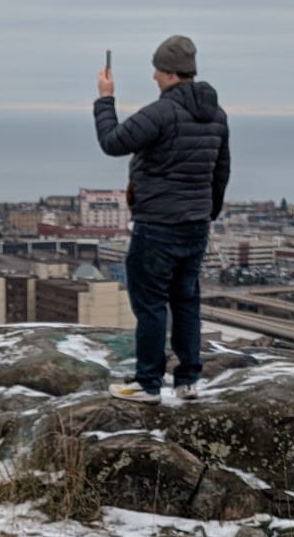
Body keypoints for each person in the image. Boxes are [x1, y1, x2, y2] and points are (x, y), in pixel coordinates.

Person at [93, 34, 230, 402]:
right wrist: (206, 213)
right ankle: (188, 380)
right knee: (186, 301)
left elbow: (112, 142)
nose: (153, 76)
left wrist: (106, 98)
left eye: (156, 69)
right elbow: (221, 172)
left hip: (158, 226)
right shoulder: (216, 114)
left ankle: (148, 383)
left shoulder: (162, 112)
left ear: (169, 72)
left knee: (151, 303)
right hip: (195, 225)